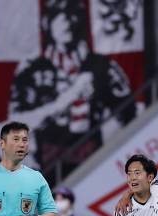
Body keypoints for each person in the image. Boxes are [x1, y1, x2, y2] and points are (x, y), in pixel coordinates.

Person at [8, 0, 136, 169]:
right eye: (59, 16)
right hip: (46, 166)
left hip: (94, 164)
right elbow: (13, 126)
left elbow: (131, 116)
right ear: (47, 23)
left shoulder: (102, 66)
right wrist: (63, 102)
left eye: (73, 14)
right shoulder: (31, 70)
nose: (68, 21)